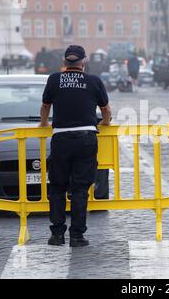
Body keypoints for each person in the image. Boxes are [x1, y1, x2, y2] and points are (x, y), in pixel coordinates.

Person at [40, 45, 112, 247]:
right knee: (80, 189)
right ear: (83, 61)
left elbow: (45, 106)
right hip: (86, 138)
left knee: (57, 187)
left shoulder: (54, 79)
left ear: (65, 62)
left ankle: (56, 235)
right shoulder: (94, 81)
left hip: (61, 139)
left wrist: (43, 123)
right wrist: (105, 123)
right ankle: (77, 236)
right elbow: (105, 110)